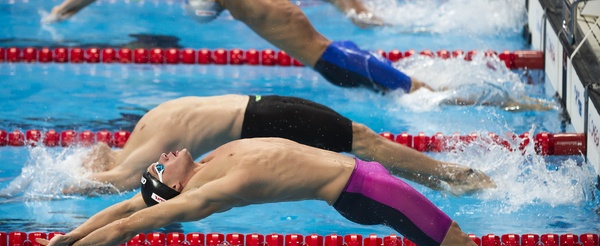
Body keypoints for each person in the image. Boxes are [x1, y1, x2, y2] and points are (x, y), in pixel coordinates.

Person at [24, 137, 544, 246]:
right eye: (159, 167)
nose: (161, 155)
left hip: (362, 182)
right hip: (365, 189)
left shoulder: (205, 164)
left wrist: (68, 231)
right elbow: (132, 224)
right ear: (175, 189)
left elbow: (124, 208)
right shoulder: (208, 192)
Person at [72, 94, 494, 195]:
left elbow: (120, 180)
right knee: (363, 141)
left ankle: (456, 176)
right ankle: (449, 176)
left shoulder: (156, 145)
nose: (161, 166)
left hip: (266, 118)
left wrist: (65, 185)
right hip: (261, 106)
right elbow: (115, 164)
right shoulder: (148, 126)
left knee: (364, 142)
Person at [43, 0, 430, 94]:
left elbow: (202, 12)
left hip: (340, 63)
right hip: (339, 55)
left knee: (422, 93)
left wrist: (63, 12)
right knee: (420, 90)